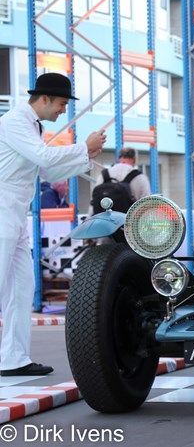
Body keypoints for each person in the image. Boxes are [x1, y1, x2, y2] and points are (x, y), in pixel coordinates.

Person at [0, 72, 106, 376]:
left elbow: (46, 172)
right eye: (61, 103)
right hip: (3, 209)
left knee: (22, 288)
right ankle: (12, 357)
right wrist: (83, 147)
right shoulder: (16, 121)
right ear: (44, 99)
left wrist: (85, 157)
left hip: (15, 214)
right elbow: (44, 158)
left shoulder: (33, 125)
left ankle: (14, 359)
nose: (63, 109)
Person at [92, 147, 151, 213]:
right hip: (127, 218)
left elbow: (93, 202)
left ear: (119, 158)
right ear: (134, 159)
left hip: (104, 218)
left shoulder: (104, 175)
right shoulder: (140, 177)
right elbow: (146, 205)